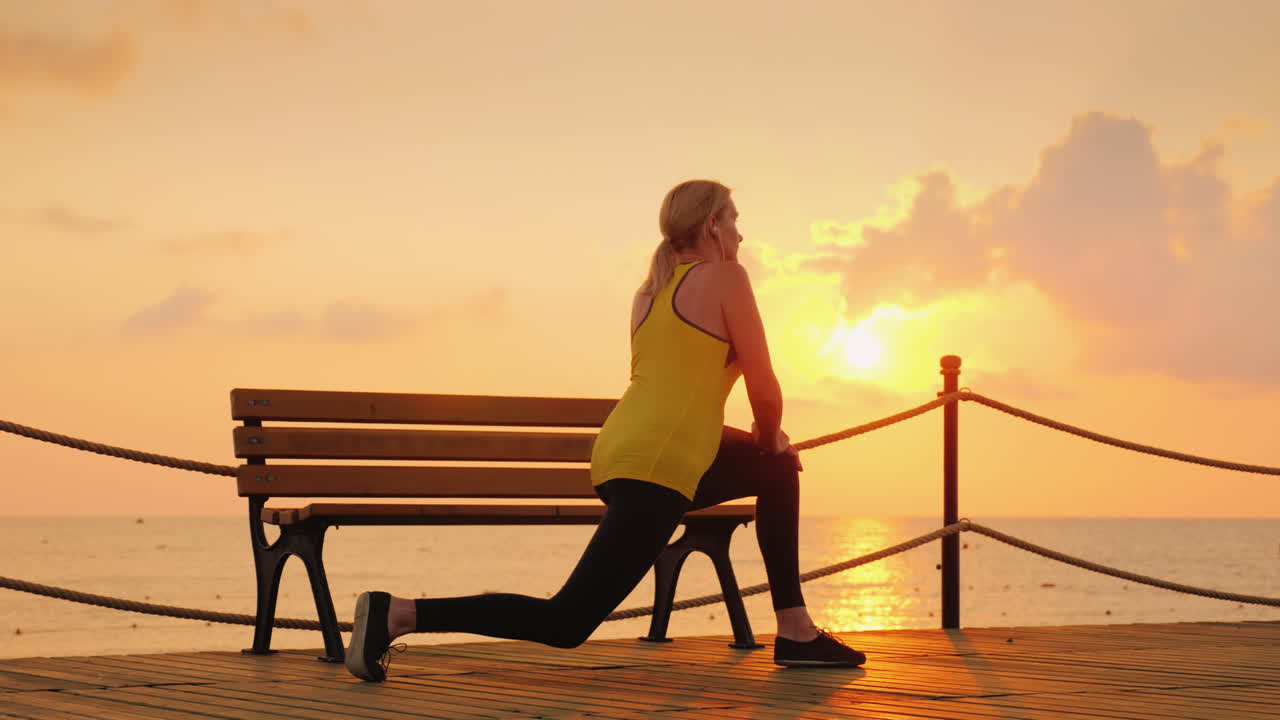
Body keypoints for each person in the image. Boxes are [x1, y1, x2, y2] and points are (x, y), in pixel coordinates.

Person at [345, 179, 866, 682]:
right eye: (734, 221)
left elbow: (675, 397)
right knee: (567, 621)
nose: (740, 235)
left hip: (624, 452)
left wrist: (759, 446)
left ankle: (795, 630)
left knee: (776, 470)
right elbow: (765, 387)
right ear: (712, 225)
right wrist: (769, 431)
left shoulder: (650, 294)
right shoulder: (729, 278)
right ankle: (401, 613)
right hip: (656, 467)